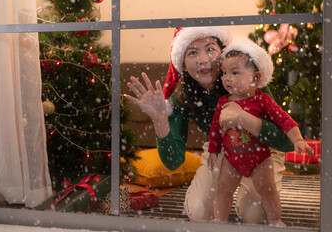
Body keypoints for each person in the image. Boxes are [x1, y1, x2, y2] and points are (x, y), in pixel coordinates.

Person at [125, 26, 295, 223]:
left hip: (262, 150)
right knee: (198, 211)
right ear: (183, 63)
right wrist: (160, 122)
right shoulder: (181, 96)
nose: (203, 59)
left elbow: (287, 142)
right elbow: (174, 162)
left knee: (254, 215)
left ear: (223, 52)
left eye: (210, 49)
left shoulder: (249, 79)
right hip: (221, 150)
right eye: (193, 52)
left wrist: (246, 119)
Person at [208, 41, 314, 226]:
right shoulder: (222, 102)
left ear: (256, 78)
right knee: (223, 188)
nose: (227, 78)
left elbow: (283, 119)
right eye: (224, 72)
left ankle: (275, 220)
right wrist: (213, 151)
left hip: (260, 158)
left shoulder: (262, 100)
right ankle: (220, 219)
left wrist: (297, 139)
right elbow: (215, 130)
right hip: (232, 158)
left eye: (234, 72)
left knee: (268, 189)